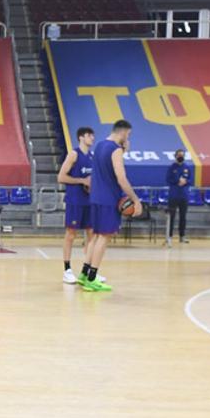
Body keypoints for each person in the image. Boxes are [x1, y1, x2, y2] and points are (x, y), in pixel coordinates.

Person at [77, 119, 141, 292]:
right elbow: (121, 178)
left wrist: (124, 151)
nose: (128, 138)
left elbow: (105, 169)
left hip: (95, 197)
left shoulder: (99, 146)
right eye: (128, 135)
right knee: (104, 238)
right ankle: (92, 278)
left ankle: (84, 274)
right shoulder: (115, 149)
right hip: (108, 199)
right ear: (123, 132)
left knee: (95, 237)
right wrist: (135, 200)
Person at [58, 126, 94, 284]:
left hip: (89, 200)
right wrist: (81, 181)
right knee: (71, 234)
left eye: (92, 136)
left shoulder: (92, 157)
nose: (92, 138)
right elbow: (61, 177)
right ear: (81, 137)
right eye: (89, 135)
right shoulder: (74, 154)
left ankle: (88, 270)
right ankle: (67, 270)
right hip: (75, 200)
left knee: (92, 235)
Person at [165, 148, 193, 244]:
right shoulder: (171, 168)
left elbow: (191, 180)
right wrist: (178, 181)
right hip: (173, 196)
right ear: (175, 156)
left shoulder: (187, 168)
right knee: (171, 217)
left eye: (182, 155)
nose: (181, 157)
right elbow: (168, 180)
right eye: (179, 155)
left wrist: (185, 181)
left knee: (183, 217)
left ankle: (182, 236)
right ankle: (169, 236)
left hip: (184, 196)